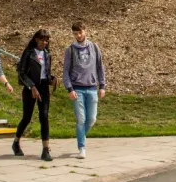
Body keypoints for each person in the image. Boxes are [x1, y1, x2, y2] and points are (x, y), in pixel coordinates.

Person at [63, 21, 106, 160]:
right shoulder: (70, 50)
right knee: (81, 119)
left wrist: (102, 85)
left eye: (80, 32)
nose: (78, 35)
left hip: (92, 88)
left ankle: (81, 136)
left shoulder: (94, 47)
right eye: (75, 33)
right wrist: (69, 88)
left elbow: (100, 67)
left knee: (92, 119)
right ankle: (82, 147)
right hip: (77, 89)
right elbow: (65, 72)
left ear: (85, 31)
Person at [13, 28, 54, 161]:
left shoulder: (47, 54)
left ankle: (46, 149)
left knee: (44, 116)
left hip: (43, 87)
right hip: (30, 87)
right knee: (27, 117)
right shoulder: (29, 52)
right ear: (36, 39)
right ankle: (16, 141)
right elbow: (22, 72)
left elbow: (46, 73)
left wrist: (52, 79)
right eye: (42, 39)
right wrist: (31, 86)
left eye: (46, 40)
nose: (44, 42)